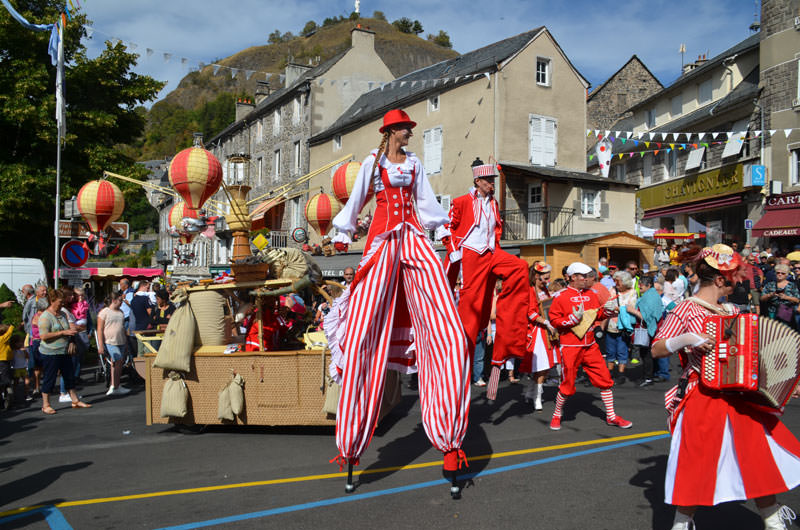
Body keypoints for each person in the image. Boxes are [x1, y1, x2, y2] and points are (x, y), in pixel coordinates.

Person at [326, 109, 470, 494]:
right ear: (392, 131)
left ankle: (450, 440)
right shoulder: (373, 163)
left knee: (452, 339)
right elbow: (356, 201)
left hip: (414, 240)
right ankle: (352, 445)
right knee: (359, 339)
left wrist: (444, 234)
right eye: (406, 128)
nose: (411, 132)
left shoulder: (415, 163)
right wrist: (344, 233)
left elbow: (425, 203)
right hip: (382, 242)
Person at [651, 244, 800, 530]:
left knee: (757, 454)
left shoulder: (731, 309)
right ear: (721, 279)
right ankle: (682, 523)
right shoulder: (684, 308)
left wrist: (783, 378)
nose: (740, 280)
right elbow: (657, 349)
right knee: (696, 459)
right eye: (735, 275)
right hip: (702, 394)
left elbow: (752, 354)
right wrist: (686, 340)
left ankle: (772, 519)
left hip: (738, 396)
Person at [443, 157, 529, 401]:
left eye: (493, 180)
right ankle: (459, 366)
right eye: (489, 180)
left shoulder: (493, 203)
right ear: (478, 181)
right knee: (471, 312)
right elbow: (448, 227)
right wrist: (453, 251)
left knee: (520, 266)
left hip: (492, 253)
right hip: (471, 253)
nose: (493, 184)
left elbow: (495, 230)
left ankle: (508, 311)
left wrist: (497, 250)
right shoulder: (460, 201)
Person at [547, 262, 632, 431]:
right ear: (572, 278)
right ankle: (557, 415)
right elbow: (554, 320)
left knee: (605, 380)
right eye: (582, 276)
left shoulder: (592, 294)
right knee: (567, 383)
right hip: (570, 346)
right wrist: (571, 320)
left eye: (587, 276)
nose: (586, 279)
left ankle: (611, 416)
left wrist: (608, 311)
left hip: (591, 345)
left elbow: (598, 314)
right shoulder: (560, 296)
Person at [38, 289, 91, 414]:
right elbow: (44, 336)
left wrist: (72, 340)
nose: (62, 304)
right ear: (52, 301)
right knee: (49, 378)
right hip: (51, 352)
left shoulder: (62, 314)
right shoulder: (45, 317)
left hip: (64, 350)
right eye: (60, 302)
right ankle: (46, 404)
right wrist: (62, 333)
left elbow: (69, 328)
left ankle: (75, 400)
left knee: (69, 376)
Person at [520, 261, 558, 411]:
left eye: (548, 278)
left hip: (548, 332)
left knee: (546, 366)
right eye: (545, 278)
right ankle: (537, 397)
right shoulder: (529, 291)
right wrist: (546, 322)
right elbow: (530, 313)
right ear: (536, 276)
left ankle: (531, 392)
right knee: (541, 366)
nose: (547, 281)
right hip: (537, 332)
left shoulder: (546, 291)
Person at [625, 275, 664, 386]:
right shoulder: (649, 295)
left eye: (642, 284)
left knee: (646, 354)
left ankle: (648, 378)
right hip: (647, 328)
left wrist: (632, 311)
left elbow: (647, 318)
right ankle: (651, 375)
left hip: (648, 329)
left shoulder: (650, 297)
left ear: (649, 285)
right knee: (647, 353)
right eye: (639, 283)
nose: (639, 285)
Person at [605, 271, 637, 384]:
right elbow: (608, 305)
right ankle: (610, 372)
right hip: (611, 325)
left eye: (617, 281)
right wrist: (619, 308)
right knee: (610, 350)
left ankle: (621, 374)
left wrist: (618, 308)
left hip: (624, 326)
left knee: (622, 350)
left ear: (624, 282)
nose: (615, 283)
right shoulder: (612, 290)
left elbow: (631, 307)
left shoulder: (632, 292)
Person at [96, 291, 131, 396]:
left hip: (121, 341)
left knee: (116, 363)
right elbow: (100, 329)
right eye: (120, 300)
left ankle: (116, 385)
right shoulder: (104, 312)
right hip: (110, 341)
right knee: (118, 360)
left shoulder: (121, 312)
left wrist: (126, 341)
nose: (121, 303)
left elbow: (123, 328)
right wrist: (101, 345)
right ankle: (114, 385)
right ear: (114, 300)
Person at [760, 263, 800, 328]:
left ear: (786, 275)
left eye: (782, 273)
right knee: (772, 329)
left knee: (784, 329)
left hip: (786, 310)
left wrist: (786, 297)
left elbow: (797, 299)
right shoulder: (770, 284)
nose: (780, 274)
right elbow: (761, 298)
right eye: (778, 273)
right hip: (772, 310)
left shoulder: (792, 285)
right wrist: (770, 295)